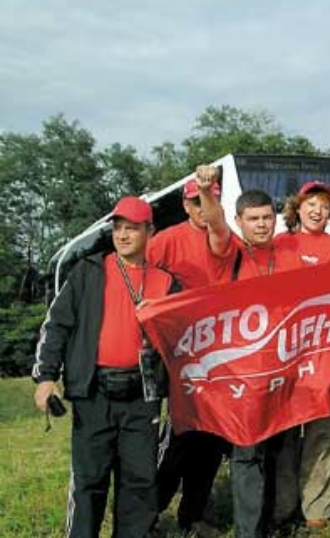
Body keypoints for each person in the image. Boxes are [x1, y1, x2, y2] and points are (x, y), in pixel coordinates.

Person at [32, 196, 177, 538]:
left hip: (142, 396)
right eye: (118, 228)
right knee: (89, 480)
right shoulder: (88, 272)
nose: (123, 235)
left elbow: (183, 338)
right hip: (94, 391)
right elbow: (57, 325)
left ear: (150, 232)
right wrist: (46, 377)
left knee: (140, 481)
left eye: (132, 228)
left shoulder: (167, 282)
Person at [201, 186, 301, 538]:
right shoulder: (228, 253)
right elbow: (214, 223)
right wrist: (205, 191)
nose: (261, 224)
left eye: (267, 218)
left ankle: (273, 521)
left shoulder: (289, 253)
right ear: (239, 221)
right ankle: (249, 532)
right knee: (247, 454)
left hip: (284, 370)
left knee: (280, 452)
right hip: (242, 374)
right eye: (253, 219)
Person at [149, 172, 230, 538]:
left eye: (209, 200)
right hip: (179, 352)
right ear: (185, 204)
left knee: (212, 438)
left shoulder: (227, 240)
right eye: (196, 201)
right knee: (180, 436)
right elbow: (139, 281)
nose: (202, 208)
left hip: (219, 352)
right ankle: (150, 512)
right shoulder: (166, 241)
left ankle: (193, 515)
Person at [273, 181, 330, 532]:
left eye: (324, 205)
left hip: (325, 352)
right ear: (297, 208)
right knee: (284, 432)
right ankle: (283, 503)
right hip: (284, 351)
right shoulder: (279, 244)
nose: (317, 210)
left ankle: (318, 503)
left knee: (323, 430)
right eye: (311, 203)